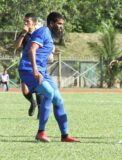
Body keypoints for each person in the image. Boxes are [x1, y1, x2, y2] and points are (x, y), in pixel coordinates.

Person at [18, 12, 79, 142]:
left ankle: (65, 135)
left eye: (62, 24)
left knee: (58, 100)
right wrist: (35, 71)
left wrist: (47, 58)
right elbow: (32, 50)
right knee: (49, 93)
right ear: (51, 23)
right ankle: (41, 132)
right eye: (59, 24)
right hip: (28, 69)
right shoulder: (44, 31)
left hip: (42, 71)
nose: (61, 27)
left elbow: (41, 53)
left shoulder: (49, 37)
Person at [13, 13, 43, 117]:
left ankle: (40, 109)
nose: (25, 23)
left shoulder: (40, 33)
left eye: (28, 21)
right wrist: (22, 34)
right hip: (26, 64)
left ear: (34, 23)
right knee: (24, 89)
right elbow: (16, 46)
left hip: (38, 63)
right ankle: (33, 103)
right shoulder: (23, 33)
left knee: (39, 87)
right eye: (24, 21)